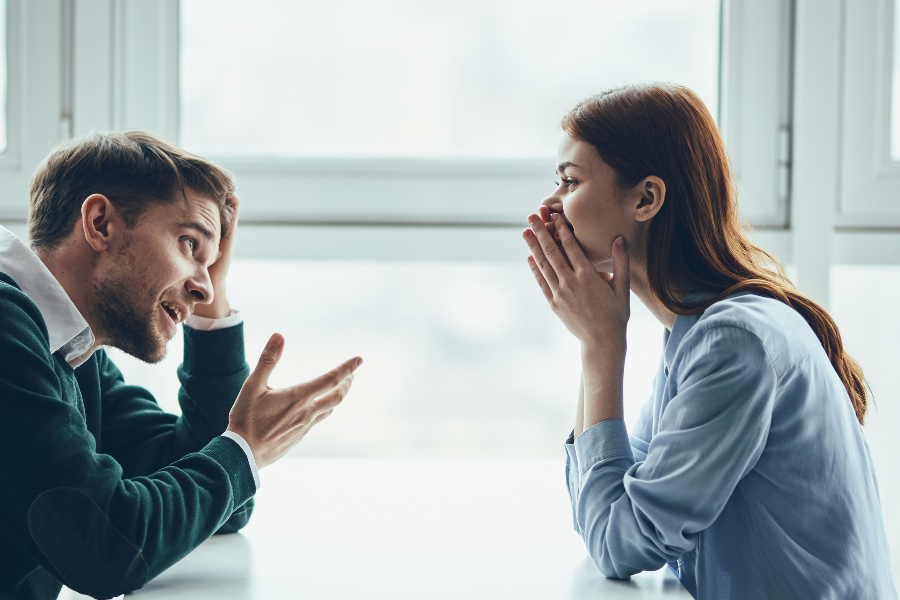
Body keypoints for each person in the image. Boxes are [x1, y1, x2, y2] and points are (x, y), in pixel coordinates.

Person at [522, 84, 897, 599]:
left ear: (646, 198)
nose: (549, 206)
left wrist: (601, 349)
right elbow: (614, 507)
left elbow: (620, 544)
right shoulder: (697, 331)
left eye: (569, 182)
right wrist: (598, 343)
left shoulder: (733, 342)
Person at [0, 131, 362, 600]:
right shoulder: (8, 331)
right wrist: (242, 450)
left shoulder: (70, 354)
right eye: (190, 244)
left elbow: (223, 508)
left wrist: (239, 449)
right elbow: (109, 548)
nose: (205, 288)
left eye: (212, 267)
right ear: (100, 223)